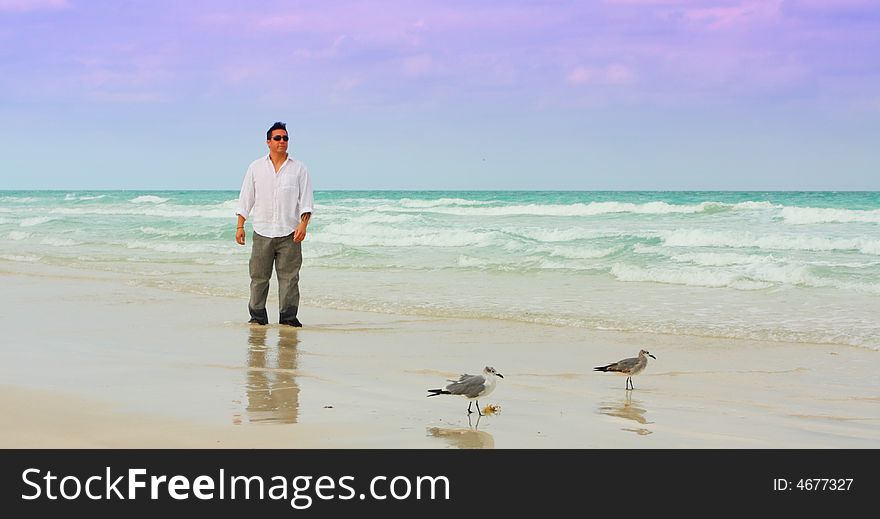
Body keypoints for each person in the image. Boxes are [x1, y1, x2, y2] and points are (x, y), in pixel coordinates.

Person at [235, 121, 314, 327]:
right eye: (277, 138)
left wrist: (303, 225)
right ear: (268, 142)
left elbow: (306, 201)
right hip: (262, 231)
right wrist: (240, 225)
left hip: (290, 233)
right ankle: (257, 317)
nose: (282, 141)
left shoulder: (299, 169)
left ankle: (288, 318)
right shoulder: (256, 167)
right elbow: (246, 198)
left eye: (285, 138)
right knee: (259, 277)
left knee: (290, 279)